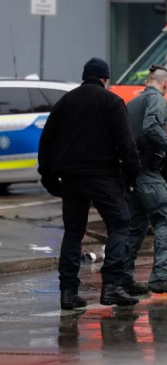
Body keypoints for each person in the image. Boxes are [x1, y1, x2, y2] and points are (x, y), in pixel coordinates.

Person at [38, 57, 141, 310]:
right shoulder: (111, 102)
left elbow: (46, 141)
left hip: (71, 178)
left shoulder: (65, 102)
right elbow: (126, 144)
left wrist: (48, 177)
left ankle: (68, 293)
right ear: (105, 78)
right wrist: (133, 174)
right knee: (120, 224)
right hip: (102, 175)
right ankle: (113, 287)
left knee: (73, 233)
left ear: (85, 76)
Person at [122, 64, 167, 296]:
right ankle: (161, 276)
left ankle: (124, 278)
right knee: (166, 219)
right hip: (147, 172)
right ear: (164, 83)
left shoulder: (133, 103)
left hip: (131, 174)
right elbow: (151, 127)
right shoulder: (157, 100)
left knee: (136, 225)